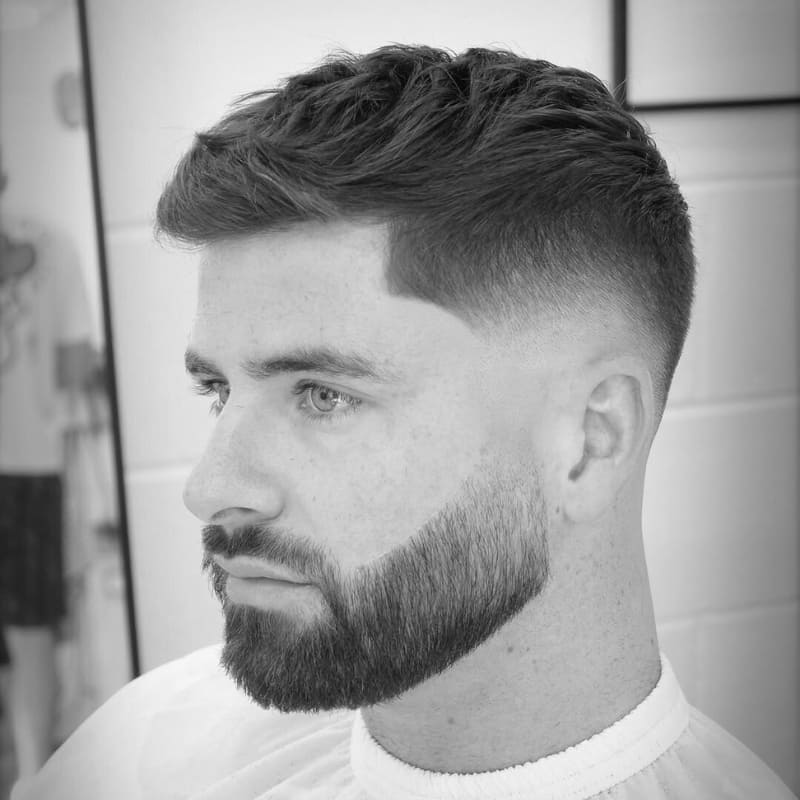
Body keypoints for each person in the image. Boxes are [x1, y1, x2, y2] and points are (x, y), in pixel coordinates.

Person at [15, 45, 796, 799]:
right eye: (218, 391)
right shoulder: (143, 751)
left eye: (324, 395)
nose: (210, 488)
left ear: (592, 441)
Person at [0, 161, 93, 792]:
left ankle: (33, 777)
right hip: (29, 466)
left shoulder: (52, 248)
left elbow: (76, 360)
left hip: (29, 468)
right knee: (28, 636)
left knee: (33, 633)